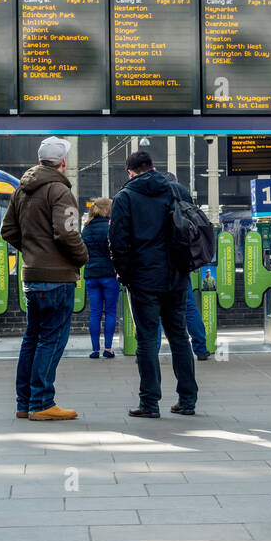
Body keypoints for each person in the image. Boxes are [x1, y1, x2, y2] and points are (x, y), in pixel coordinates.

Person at [0, 136, 89, 422]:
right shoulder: (60, 191)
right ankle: (42, 402)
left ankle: (24, 402)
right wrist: (81, 257)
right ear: (63, 162)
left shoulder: (21, 190)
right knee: (51, 339)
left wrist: (32, 250)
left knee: (32, 339)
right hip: (57, 278)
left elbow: (7, 230)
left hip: (32, 275)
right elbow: (68, 233)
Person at [109, 151, 198, 419]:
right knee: (179, 336)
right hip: (177, 275)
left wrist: (125, 276)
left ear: (130, 172)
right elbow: (193, 228)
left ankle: (149, 402)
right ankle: (187, 400)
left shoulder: (124, 197)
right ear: (154, 167)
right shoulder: (177, 191)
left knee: (147, 339)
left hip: (143, 278)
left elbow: (118, 242)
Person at [148, 172, 211, 362]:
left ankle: (151, 351)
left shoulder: (154, 196)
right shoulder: (183, 195)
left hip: (156, 261)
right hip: (181, 260)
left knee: (153, 309)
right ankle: (201, 348)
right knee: (189, 306)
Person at [82, 197, 119, 359]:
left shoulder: (86, 228)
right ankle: (108, 349)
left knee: (95, 313)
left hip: (91, 275)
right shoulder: (111, 227)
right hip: (110, 275)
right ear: (108, 210)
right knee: (110, 312)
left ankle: (95, 350)